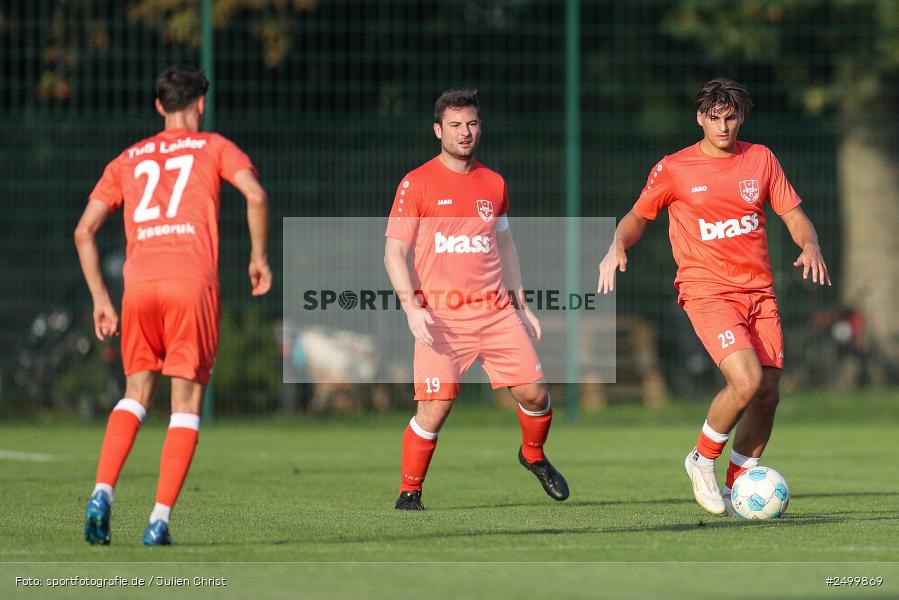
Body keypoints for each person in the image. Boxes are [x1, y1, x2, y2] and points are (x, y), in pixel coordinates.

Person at [597, 78, 830, 516]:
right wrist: (617, 245)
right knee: (746, 380)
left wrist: (810, 244)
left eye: (731, 117)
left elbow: (794, 216)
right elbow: (637, 216)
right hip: (707, 291)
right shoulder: (675, 168)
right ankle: (701, 458)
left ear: (741, 118)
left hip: (759, 292)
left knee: (767, 393)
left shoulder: (761, 159)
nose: (723, 127)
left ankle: (738, 484)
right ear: (700, 118)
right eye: (714, 118)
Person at [74, 64, 271, 544]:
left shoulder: (128, 158)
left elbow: (83, 231)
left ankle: (101, 492)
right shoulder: (213, 147)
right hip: (191, 283)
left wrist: (101, 299)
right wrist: (258, 257)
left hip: (139, 284)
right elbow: (255, 196)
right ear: (200, 103)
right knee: (185, 404)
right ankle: (158, 521)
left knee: (135, 394)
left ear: (159, 105)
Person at [384, 89, 568, 510]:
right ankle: (410, 492)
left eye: (471, 123)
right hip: (441, 317)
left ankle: (533, 455)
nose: (464, 132)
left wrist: (522, 304)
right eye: (455, 125)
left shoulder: (494, 183)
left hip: (496, 313)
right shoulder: (417, 183)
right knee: (435, 408)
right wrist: (412, 307)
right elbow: (394, 252)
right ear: (438, 131)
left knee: (535, 395)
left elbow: (505, 245)